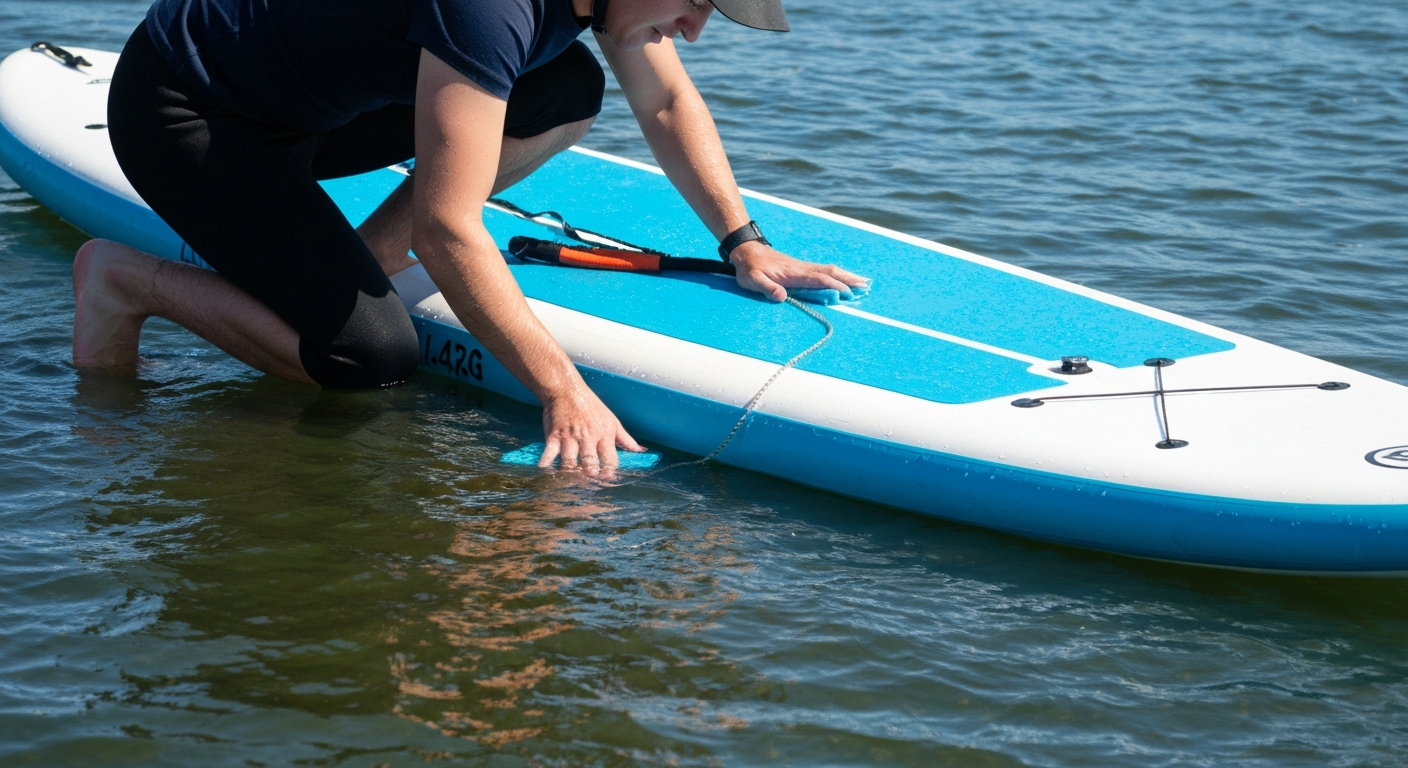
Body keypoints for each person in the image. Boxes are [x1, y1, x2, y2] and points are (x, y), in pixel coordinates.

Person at [73, 0, 868, 471]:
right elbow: (452, 230)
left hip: (312, 109)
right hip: (192, 116)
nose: (694, 28)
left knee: (563, 88)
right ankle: (124, 280)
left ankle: (374, 254)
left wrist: (743, 240)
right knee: (367, 358)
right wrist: (563, 393)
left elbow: (663, 102)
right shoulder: (491, 6)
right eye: (696, 0)